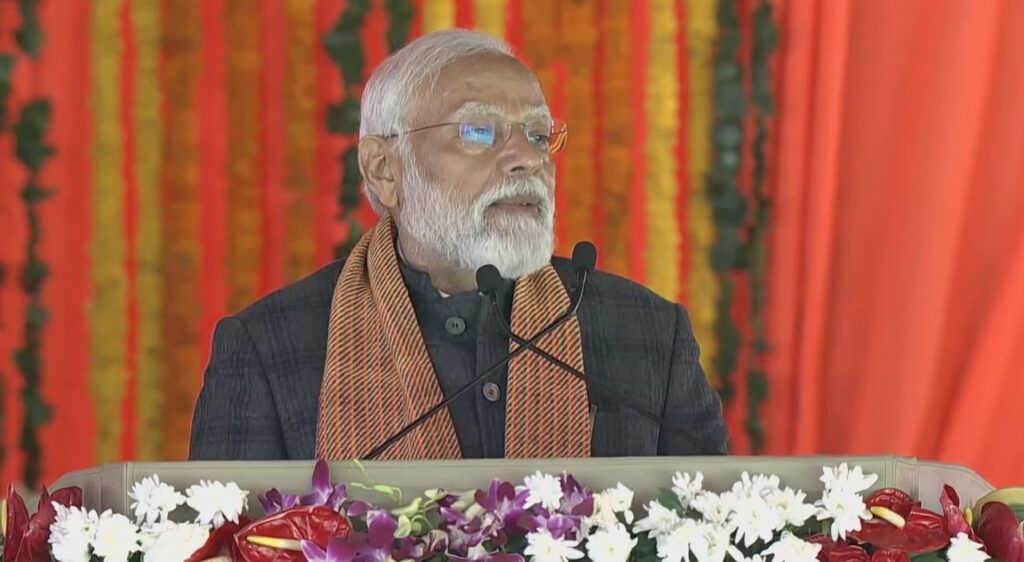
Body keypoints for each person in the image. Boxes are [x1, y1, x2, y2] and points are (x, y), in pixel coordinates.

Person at [189, 29, 728, 461]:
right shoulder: (268, 347)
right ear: (384, 170)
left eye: (538, 135)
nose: (527, 158)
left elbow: (716, 530)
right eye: (477, 131)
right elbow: (222, 542)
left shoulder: (650, 333)